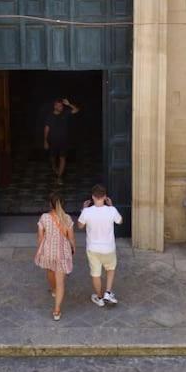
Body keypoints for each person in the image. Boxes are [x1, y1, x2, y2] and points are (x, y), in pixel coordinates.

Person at [78, 184, 123, 307]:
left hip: (93, 248)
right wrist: (112, 206)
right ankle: (108, 292)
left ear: (92, 197)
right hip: (109, 247)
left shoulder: (87, 211)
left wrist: (83, 209)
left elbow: (80, 226)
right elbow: (120, 221)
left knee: (96, 274)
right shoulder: (111, 210)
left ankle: (99, 297)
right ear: (105, 197)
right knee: (110, 269)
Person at [34, 191, 76, 321]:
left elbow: (40, 237)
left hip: (48, 250)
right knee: (61, 283)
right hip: (62, 252)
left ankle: (53, 290)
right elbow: (71, 238)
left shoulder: (44, 217)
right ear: (63, 204)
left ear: (50, 204)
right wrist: (73, 249)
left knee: (50, 269)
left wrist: (39, 250)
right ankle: (57, 311)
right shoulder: (67, 218)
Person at [43, 97, 80, 184]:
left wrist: (69, 104)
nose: (61, 108)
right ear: (55, 106)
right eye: (59, 106)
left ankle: (59, 177)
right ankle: (54, 167)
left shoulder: (65, 113)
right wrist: (45, 141)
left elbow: (77, 110)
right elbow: (46, 129)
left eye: (62, 106)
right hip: (52, 141)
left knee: (62, 158)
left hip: (63, 141)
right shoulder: (49, 116)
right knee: (52, 158)